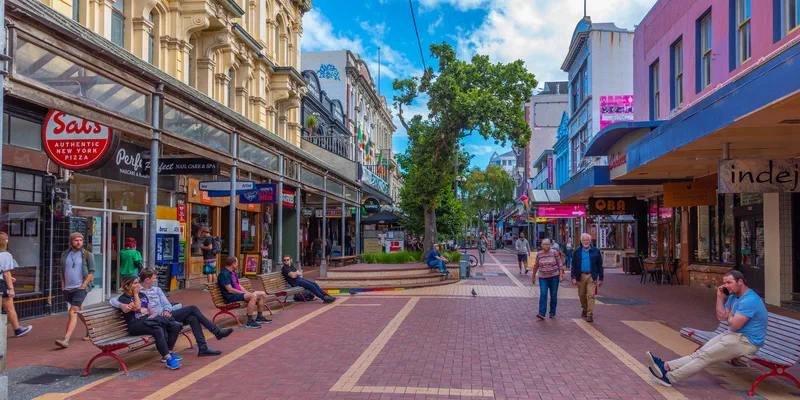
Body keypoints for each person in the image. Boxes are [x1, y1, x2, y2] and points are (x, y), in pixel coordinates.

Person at [645, 270, 767, 387]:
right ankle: (666, 366)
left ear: (740, 282)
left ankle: (670, 378)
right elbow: (721, 316)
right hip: (733, 335)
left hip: (746, 341)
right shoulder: (734, 296)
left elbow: (735, 325)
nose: (726, 286)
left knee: (705, 357)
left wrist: (730, 315)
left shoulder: (749, 300)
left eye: (729, 282)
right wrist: (720, 298)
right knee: (699, 353)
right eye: (724, 283)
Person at [111, 268, 232, 357]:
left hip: (166, 315)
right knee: (193, 309)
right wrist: (121, 305)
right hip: (155, 319)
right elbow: (113, 300)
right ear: (147, 280)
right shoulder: (136, 290)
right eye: (154, 278)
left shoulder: (157, 289)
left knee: (193, 318)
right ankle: (216, 331)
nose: (156, 280)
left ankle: (203, 348)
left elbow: (167, 304)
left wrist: (167, 310)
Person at [116, 275, 183, 370]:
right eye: (135, 283)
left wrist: (156, 317)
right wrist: (135, 295)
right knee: (157, 329)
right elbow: (137, 308)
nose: (138, 285)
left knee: (174, 325)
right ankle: (169, 359)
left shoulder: (142, 295)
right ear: (127, 286)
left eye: (138, 282)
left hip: (147, 321)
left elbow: (149, 311)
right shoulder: (124, 299)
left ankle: (168, 352)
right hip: (135, 325)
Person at [55, 232, 94, 349]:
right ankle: (91, 330)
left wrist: (84, 285)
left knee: (73, 311)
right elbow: (61, 270)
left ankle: (66, 339)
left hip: (80, 288)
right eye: (76, 240)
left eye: (80, 240)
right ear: (71, 242)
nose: (78, 242)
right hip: (68, 288)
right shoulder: (65, 254)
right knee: (79, 309)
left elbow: (91, 272)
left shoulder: (87, 255)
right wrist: (63, 284)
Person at [218, 256, 271, 329]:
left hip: (237, 294)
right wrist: (243, 293)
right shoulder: (224, 274)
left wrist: (247, 292)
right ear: (233, 264)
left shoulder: (233, 272)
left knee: (262, 294)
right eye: (237, 263)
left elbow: (238, 285)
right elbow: (230, 290)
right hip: (231, 296)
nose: (237, 265)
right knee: (253, 296)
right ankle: (249, 321)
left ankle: (259, 317)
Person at [0, 232, 32, 337]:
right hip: (1, 284)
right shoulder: (6, 255)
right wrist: (11, 288)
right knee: (9, 308)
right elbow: (6, 272)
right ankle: (17, 329)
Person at [570, 233, 603, 323]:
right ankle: (585, 308)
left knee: (591, 295)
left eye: (587, 240)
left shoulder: (596, 251)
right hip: (580, 275)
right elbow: (573, 265)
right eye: (584, 240)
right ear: (581, 241)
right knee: (581, 294)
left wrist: (601, 278)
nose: (586, 242)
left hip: (592, 276)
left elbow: (600, 265)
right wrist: (573, 277)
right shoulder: (577, 252)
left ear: (590, 241)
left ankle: (589, 314)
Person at [532, 239, 565, 320]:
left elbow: (559, 263)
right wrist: (533, 276)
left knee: (553, 295)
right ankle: (541, 313)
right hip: (543, 277)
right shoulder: (539, 254)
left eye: (547, 244)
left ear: (550, 245)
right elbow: (536, 265)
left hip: (554, 276)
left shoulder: (554, 252)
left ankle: (552, 312)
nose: (546, 246)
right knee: (543, 294)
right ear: (542, 245)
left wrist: (561, 275)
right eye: (544, 244)